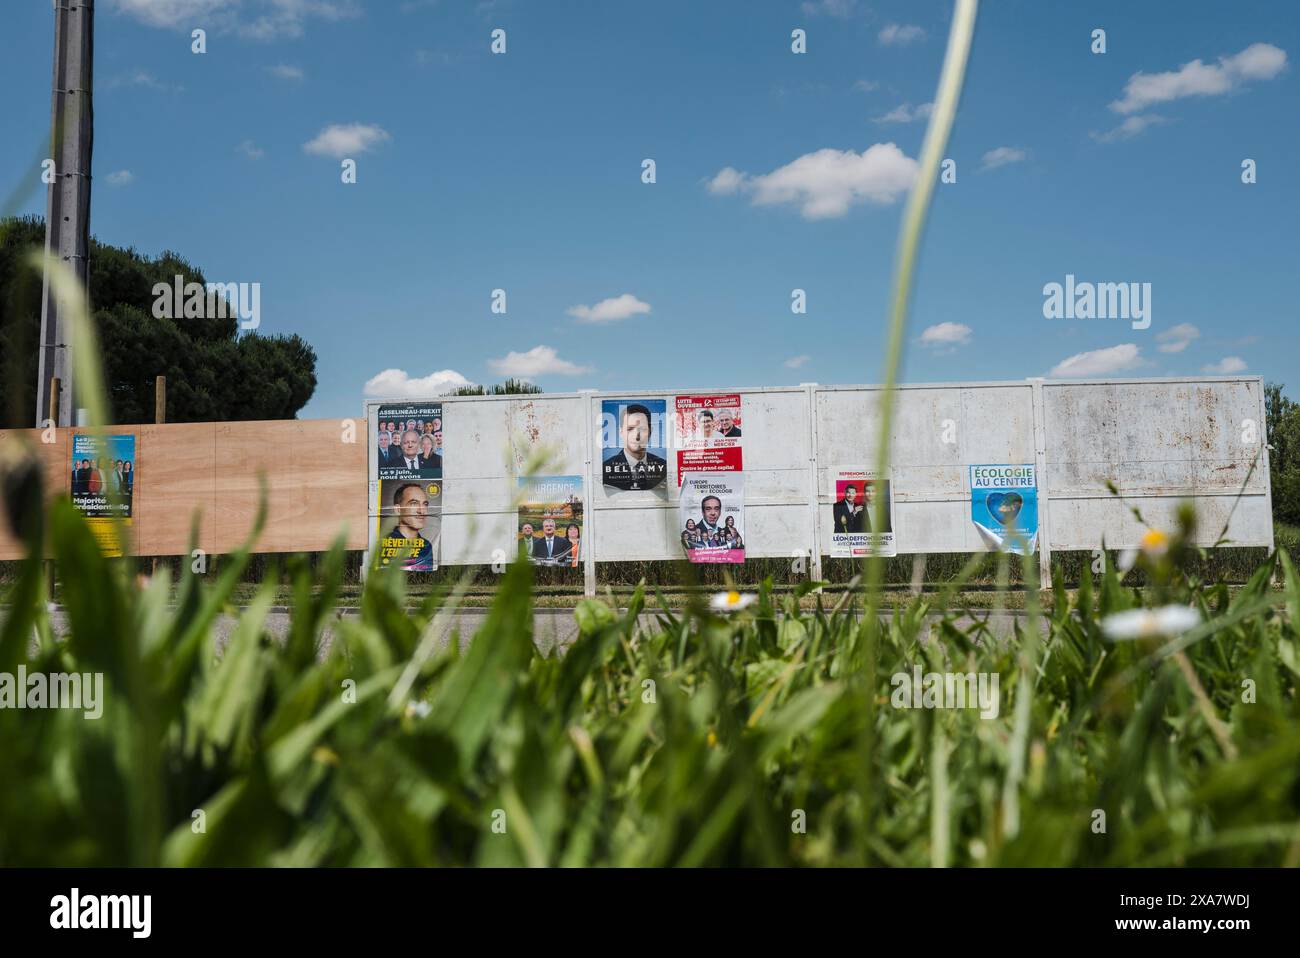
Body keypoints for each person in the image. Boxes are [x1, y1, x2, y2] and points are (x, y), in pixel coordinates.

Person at [602, 403, 667, 490]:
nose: (637, 436)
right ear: (621, 432)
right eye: (630, 429)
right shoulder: (605, 470)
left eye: (642, 429)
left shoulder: (664, 466)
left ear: (650, 431)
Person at [386, 482, 434, 570]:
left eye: (425, 504)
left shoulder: (427, 546)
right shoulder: (384, 543)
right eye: (414, 503)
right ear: (398, 510)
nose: (422, 511)